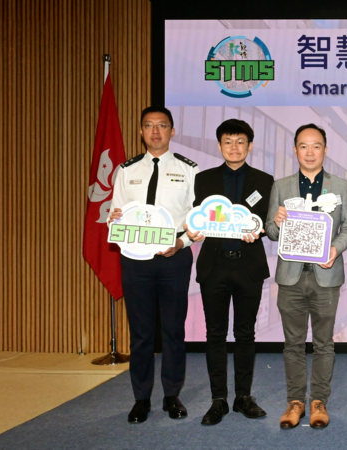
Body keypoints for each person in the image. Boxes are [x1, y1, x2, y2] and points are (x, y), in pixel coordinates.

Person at [108, 106, 198, 423]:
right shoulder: (126, 170)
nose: (155, 131)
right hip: (135, 260)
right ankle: (141, 399)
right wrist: (113, 219)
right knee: (142, 333)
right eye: (149, 125)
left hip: (174, 256)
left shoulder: (190, 170)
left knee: (173, 330)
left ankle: (172, 396)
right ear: (141, 131)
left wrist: (182, 243)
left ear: (172, 131)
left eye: (162, 125)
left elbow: (197, 219)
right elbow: (115, 214)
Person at [265, 124, 347, 429]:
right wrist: (277, 222)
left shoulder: (341, 186)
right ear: (295, 150)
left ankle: (319, 401)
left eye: (316, 146)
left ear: (325, 150)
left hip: (326, 276)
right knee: (292, 344)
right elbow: (272, 232)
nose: (310, 152)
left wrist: (334, 249)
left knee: (324, 343)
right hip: (290, 276)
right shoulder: (281, 186)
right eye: (303, 146)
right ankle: (295, 402)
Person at [190, 119, 274, 425]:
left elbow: (266, 221)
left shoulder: (265, 181)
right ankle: (218, 400)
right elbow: (195, 217)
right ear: (219, 145)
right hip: (214, 266)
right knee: (214, 334)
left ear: (250, 146)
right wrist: (193, 229)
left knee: (245, 333)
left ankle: (243, 397)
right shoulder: (204, 180)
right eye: (228, 141)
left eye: (240, 142)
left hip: (248, 265)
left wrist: (261, 231)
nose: (234, 147)